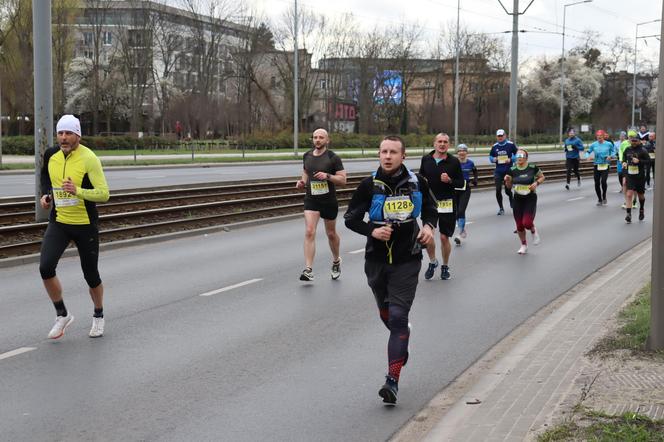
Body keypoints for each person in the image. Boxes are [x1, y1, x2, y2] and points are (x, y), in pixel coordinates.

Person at [344, 135, 436, 405]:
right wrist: (373, 230)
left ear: (403, 156)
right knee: (388, 315)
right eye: (383, 151)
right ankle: (401, 339)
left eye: (393, 152)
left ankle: (392, 381)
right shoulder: (368, 185)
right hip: (376, 261)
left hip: (408, 259)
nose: (387, 156)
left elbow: (432, 209)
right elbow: (350, 218)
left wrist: (429, 228)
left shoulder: (418, 182)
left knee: (397, 317)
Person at [39, 115, 110, 339]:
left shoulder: (89, 159)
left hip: (84, 225)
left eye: (69, 133)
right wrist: (46, 195)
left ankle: (98, 315)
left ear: (78, 135)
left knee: (91, 274)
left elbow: (104, 194)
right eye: (60, 133)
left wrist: (78, 191)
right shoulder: (51, 154)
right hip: (59, 221)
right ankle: (62, 315)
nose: (64, 138)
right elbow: (45, 177)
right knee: (45, 267)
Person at [295, 128, 347, 281]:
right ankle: (308, 270)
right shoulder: (307, 155)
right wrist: (302, 182)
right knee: (310, 231)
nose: (317, 140)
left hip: (328, 201)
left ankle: (336, 260)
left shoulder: (333, 157)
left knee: (331, 234)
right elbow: (306, 171)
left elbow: (343, 180)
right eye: (315, 137)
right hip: (311, 199)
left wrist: (328, 176)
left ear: (327, 140)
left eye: (321, 137)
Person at [418, 133, 464, 280]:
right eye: (439, 141)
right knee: (428, 235)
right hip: (429, 203)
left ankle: (445, 266)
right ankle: (433, 262)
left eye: (445, 142)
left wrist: (450, 180)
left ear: (448, 145)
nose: (442, 144)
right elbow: (420, 178)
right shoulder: (426, 159)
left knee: (444, 237)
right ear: (434, 143)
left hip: (447, 203)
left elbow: (461, 183)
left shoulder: (454, 162)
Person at [504, 149, 544, 254]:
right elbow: (508, 187)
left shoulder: (532, 168)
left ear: (526, 157)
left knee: (527, 223)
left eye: (522, 155)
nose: (519, 158)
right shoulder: (512, 169)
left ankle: (533, 230)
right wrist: (508, 181)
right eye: (517, 156)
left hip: (530, 197)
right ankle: (524, 245)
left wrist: (536, 183)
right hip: (517, 198)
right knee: (519, 225)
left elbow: (542, 177)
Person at [622, 130, 651, 223]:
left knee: (640, 196)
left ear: (638, 141)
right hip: (630, 175)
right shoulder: (627, 149)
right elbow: (623, 160)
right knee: (629, 194)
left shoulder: (643, 150)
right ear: (630, 140)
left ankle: (641, 209)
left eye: (635, 141)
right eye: (632, 140)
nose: (633, 142)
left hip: (640, 176)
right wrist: (624, 165)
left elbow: (649, 161)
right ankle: (628, 214)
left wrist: (639, 161)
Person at [489, 129, 517, 215]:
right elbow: (490, 157)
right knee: (498, 190)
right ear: (496, 137)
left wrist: (511, 159)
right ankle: (501, 208)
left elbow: (518, 154)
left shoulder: (511, 145)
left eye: (502, 136)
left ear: (505, 136)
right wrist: (494, 159)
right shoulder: (494, 146)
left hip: (508, 171)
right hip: (498, 171)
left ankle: (510, 196)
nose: (500, 137)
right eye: (499, 136)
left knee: (507, 191)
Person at [453, 144, 477, 244]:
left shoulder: (470, 163)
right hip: (454, 189)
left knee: (461, 210)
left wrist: (475, 180)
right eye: (460, 151)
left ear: (467, 152)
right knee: (456, 212)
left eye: (464, 151)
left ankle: (460, 233)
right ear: (457, 153)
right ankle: (462, 231)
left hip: (465, 189)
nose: (462, 153)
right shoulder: (453, 163)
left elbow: (475, 172)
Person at [585, 130, 616, 206]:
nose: (599, 138)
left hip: (605, 165)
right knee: (596, 183)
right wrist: (587, 157)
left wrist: (610, 156)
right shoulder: (593, 144)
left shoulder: (608, 144)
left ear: (603, 136)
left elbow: (614, 151)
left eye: (601, 136)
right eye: (598, 136)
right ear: (596, 137)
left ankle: (604, 196)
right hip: (597, 165)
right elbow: (588, 152)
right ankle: (599, 199)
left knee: (603, 181)